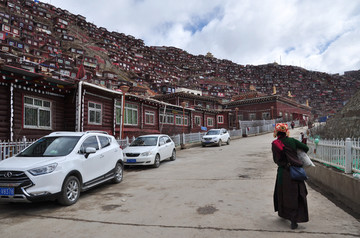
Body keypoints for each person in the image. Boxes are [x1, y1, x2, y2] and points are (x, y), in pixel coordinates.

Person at [271, 123, 309, 230]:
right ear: (286, 131)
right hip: (295, 172)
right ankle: (294, 219)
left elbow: (276, 160)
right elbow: (306, 148)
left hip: (283, 173)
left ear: (276, 132)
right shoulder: (292, 141)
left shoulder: (275, 144)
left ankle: (285, 214)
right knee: (296, 195)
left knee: (284, 195)